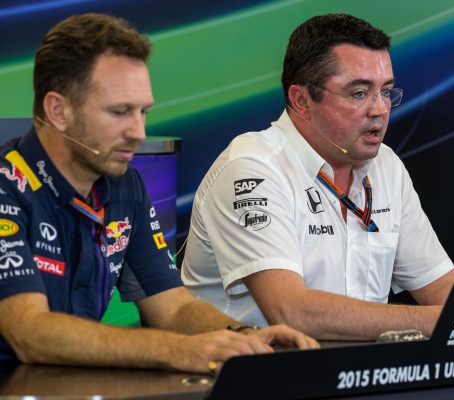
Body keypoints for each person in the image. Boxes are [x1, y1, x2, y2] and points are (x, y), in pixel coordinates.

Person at [181, 13, 454, 340]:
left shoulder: (386, 166)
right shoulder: (252, 168)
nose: (380, 109)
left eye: (385, 91)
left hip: (357, 378)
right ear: (301, 99)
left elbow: (441, 290)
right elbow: (291, 312)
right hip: (248, 381)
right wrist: (449, 320)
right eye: (359, 93)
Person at [0, 13, 318, 373]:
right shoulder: (6, 186)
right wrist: (179, 350)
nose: (139, 131)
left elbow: (173, 306)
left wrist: (243, 336)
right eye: (120, 112)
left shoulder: (124, 185)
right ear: (58, 110)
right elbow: (30, 332)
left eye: (143, 111)